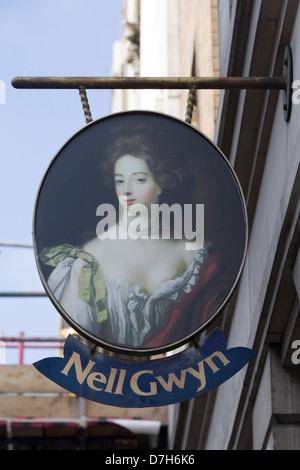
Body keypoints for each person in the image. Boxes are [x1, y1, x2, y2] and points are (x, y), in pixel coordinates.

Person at [40, 124, 228, 350]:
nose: (127, 190)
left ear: (161, 183)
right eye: (120, 180)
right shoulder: (88, 259)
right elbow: (82, 333)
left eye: (139, 180)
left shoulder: (194, 255)